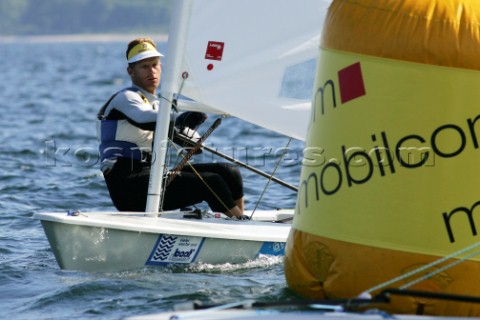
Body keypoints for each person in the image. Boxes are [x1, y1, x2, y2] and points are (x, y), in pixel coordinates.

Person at [97, 37, 247, 219]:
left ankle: (240, 219)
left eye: (154, 64)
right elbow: (143, 119)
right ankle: (240, 221)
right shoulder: (126, 98)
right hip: (127, 185)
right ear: (131, 71)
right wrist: (179, 119)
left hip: (152, 175)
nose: (151, 71)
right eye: (144, 66)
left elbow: (194, 147)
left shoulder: (160, 105)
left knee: (228, 171)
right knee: (211, 182)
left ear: (161, 67)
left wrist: (190, 127)